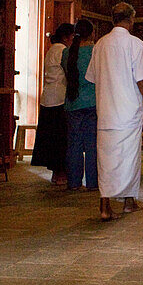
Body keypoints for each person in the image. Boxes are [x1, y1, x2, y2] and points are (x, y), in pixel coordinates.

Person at [85, 3, 143, 221]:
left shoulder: (100, 45)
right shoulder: (135, 44)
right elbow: (142, 81)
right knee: (129, 158)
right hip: (127, 111)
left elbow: (92, 77)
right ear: (131, 20)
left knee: (106, 158)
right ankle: (127, 202)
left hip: (106, 111)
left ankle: (106, 204)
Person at [31, 22, 74, 185]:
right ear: (66, 37)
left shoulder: (52, 49)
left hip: (48, 96)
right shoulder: (63, 50)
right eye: (71, 37)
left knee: (50, 136)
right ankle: (61, 173)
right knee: (59, 137)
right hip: (59, 97)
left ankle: (57, 173)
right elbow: (69, 71)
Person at [63, 19, 97, 191]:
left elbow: (68, 75)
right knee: (92, 145)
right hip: (92, 102)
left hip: (72, 102)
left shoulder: (67, 53)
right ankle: (93, 183)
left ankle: (74, 182)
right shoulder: (94, 51)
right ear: (92, 33)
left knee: (74, 144)